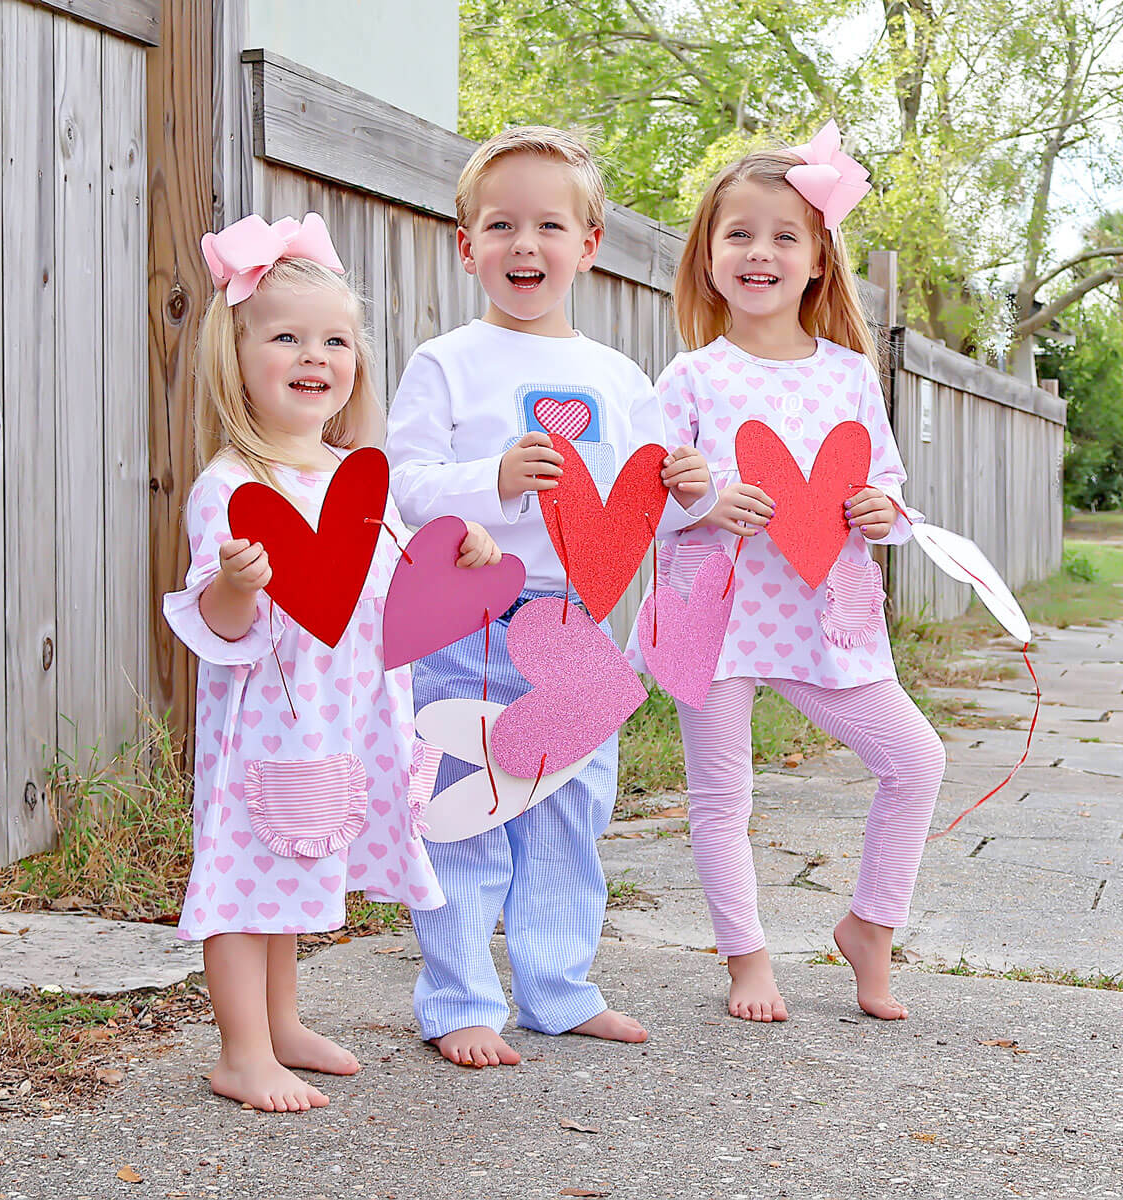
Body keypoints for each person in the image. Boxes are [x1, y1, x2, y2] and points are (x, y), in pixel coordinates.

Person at [385, 127, 711, 1068]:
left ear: (589, 242)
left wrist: (687, 480)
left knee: (571, 803)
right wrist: (491, 477)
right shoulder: (448, 361)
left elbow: (644, 496)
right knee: (472, 798)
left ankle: (558, 988)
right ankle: (458, 997)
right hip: (470, 611)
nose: (524, 246)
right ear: (466, 244)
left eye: (548, 226)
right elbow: (403, 486)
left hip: (577, 615)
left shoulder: (619, 377)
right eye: (500, 226)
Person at [163, 213, 501, 1109]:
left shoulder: (359, 475)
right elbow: (214, 618)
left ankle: (281, 1023)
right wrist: (238, 583)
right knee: (247, 875)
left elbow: (389, 580)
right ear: (235, 357)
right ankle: (240, 1050)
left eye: (336, 340)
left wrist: (455, 542)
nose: (317, 356)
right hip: (269, 729)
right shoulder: (235, 482)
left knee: (297, 869)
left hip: (343, 721)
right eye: (286, 336)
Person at [630, 122, 946, 1023]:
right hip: (714, 610)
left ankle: (871, 928)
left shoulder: (849, 376)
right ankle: (747, 958)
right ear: (707, 255)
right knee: (724, 796)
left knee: (914, 761)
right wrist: (704, 502)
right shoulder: (692, 377)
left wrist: (887, 513)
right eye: (739, 234)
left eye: (783, 236)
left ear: (816, 260)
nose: (759, 252)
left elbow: (882, 480)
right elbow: (642, 493)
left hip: (821, 609)